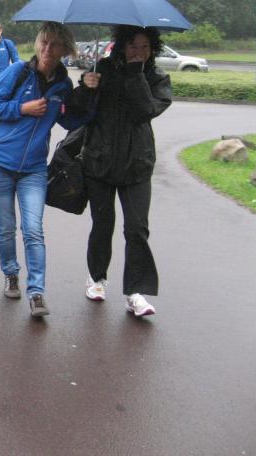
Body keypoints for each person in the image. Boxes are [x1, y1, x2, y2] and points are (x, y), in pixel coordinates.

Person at [0, 22, 83, 317]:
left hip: (34, 169)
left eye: (54, 44)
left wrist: (89, 92)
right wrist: (21, 109)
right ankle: (11, 273)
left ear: (65, 49)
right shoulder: (19, 72)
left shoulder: (64, 85)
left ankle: (36, 292)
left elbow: (72, 122)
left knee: (34, 230)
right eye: (44, 42)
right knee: (6, 227)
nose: (47, 49)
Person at [69, 25, 171, 317]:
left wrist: (135, 75)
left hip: (137, 163)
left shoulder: (156, 78)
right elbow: (78, 112)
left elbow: (145, 111)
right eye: (133, 46)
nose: (139, 52)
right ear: (122, 46)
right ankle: (96, 277)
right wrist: (85, 87)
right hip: (100, 161)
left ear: (153, 49)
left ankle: (135, 292)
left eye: (145, 47)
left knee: (137, 228)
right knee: (103, 224)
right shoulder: (102, 69)